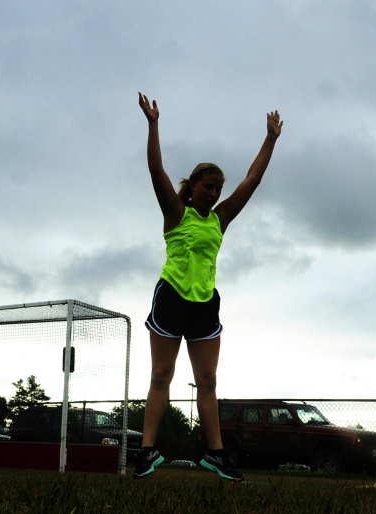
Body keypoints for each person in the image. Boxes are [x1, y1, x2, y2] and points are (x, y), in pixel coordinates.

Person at [132, 92, 282, 481]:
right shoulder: (176, 212)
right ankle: (147, 451)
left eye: (218, 188)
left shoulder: (221, 219)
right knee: (161, 376)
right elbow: (155, 171)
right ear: (193, 186)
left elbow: (254, 179)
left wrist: (270, 139)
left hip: (204, 305)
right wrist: (153, 125)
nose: (215, 193)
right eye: (209, 186)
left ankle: (215, 455)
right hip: (171, 298)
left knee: (209, 382)